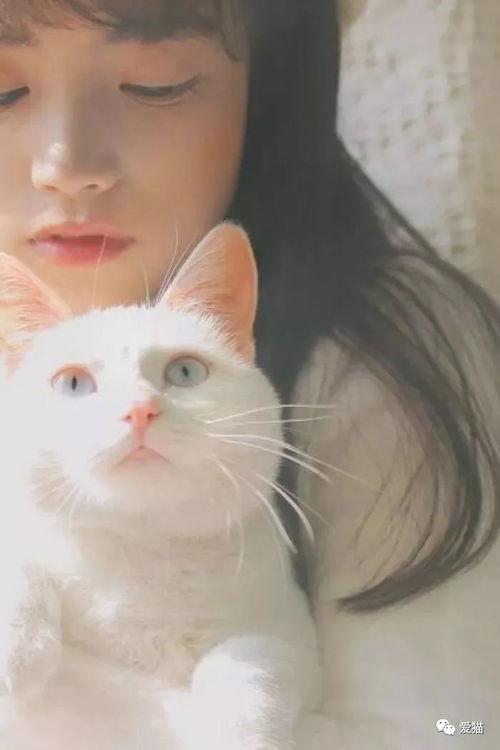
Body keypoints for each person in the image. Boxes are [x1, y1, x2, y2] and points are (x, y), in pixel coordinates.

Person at [0, 0, 498, 746]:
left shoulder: (387, 359)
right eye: (2, 91)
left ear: (271, 87)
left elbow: (456, 728)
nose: (66, 167)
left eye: (156, 84)